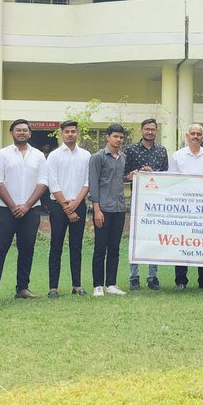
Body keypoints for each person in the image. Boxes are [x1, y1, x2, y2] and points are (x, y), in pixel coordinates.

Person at [0, 119, 50, 300]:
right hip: (5, 209)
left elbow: (43, 182)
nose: (21, 133)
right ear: (12, 133)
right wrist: (14, 206)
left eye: (25, 130)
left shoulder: (38, 155)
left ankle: (22, 288)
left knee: (27, 248)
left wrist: (27, 206)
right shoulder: (2, 154)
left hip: (31, 210)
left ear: (30, 133)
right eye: (18, 130)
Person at [169, 124, 203, 290]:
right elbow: (172, 181)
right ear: (187, 136)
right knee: (183, 242)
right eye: (193, 134)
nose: (195, 136)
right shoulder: (177, 156)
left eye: (199, 134)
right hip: (184, 207)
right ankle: (181, 281)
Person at [46, 120, 90, 297]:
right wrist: (67, 207)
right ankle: (53, 288)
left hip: (79, 205)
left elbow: (88, 182)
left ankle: (77, 286)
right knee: (56, 246)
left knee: (76, 247)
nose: (70, 134)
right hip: (59, 207)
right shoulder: (54, 156)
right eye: (67, 131)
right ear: (61, 134)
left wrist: (75, 205)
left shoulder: (86, 155)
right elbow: (52, 182)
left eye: (73, 131)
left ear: (77, 133)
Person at [124, 117, 168, 290]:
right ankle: (134, 277)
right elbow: (124, 174)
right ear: (141, 131)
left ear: (156, 131)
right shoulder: (131, 149)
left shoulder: (162, 151)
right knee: (135, 237)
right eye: (147, 129)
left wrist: (153, 173)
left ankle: (152, 277)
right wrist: (135, 174)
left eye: (153, 129)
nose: (150, 132)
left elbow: (166, 175)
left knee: (154, 237)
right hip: (137, 200)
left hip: (156, 201)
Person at [89, 124, 129, 297]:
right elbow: (93, 184)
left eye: (121, 137)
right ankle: (98, 285)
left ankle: (111, 284)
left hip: (119, 208)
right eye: (115, 136)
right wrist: (96, 210)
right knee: (100, 247)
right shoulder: (98, 157)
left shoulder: (123, 157)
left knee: (114, 247)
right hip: (103, 208)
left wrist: (132, 176)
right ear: (107, 137)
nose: (118, 140)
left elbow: (119, 179)